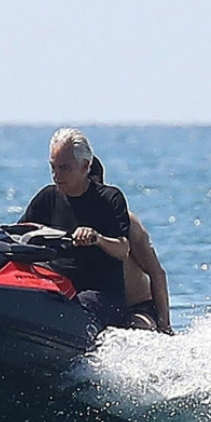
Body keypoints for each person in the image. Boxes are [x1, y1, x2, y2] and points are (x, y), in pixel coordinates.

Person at [20, 128, 130, 329]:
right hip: (60, 286)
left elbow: (123, 249)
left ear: (85, 166)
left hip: (101, 295)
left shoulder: (110, 198)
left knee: (80, 304)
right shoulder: (47, 197)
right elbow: (19, 234)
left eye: (64, 168)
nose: (56, 175)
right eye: (53, 167)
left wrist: (97, 238)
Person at [89, 156, 174, 335]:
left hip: (136, 308)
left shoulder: (126, 222)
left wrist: (165, 326)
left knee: (138, 327)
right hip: (98, 306)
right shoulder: (63, 215)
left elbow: (157, 273)